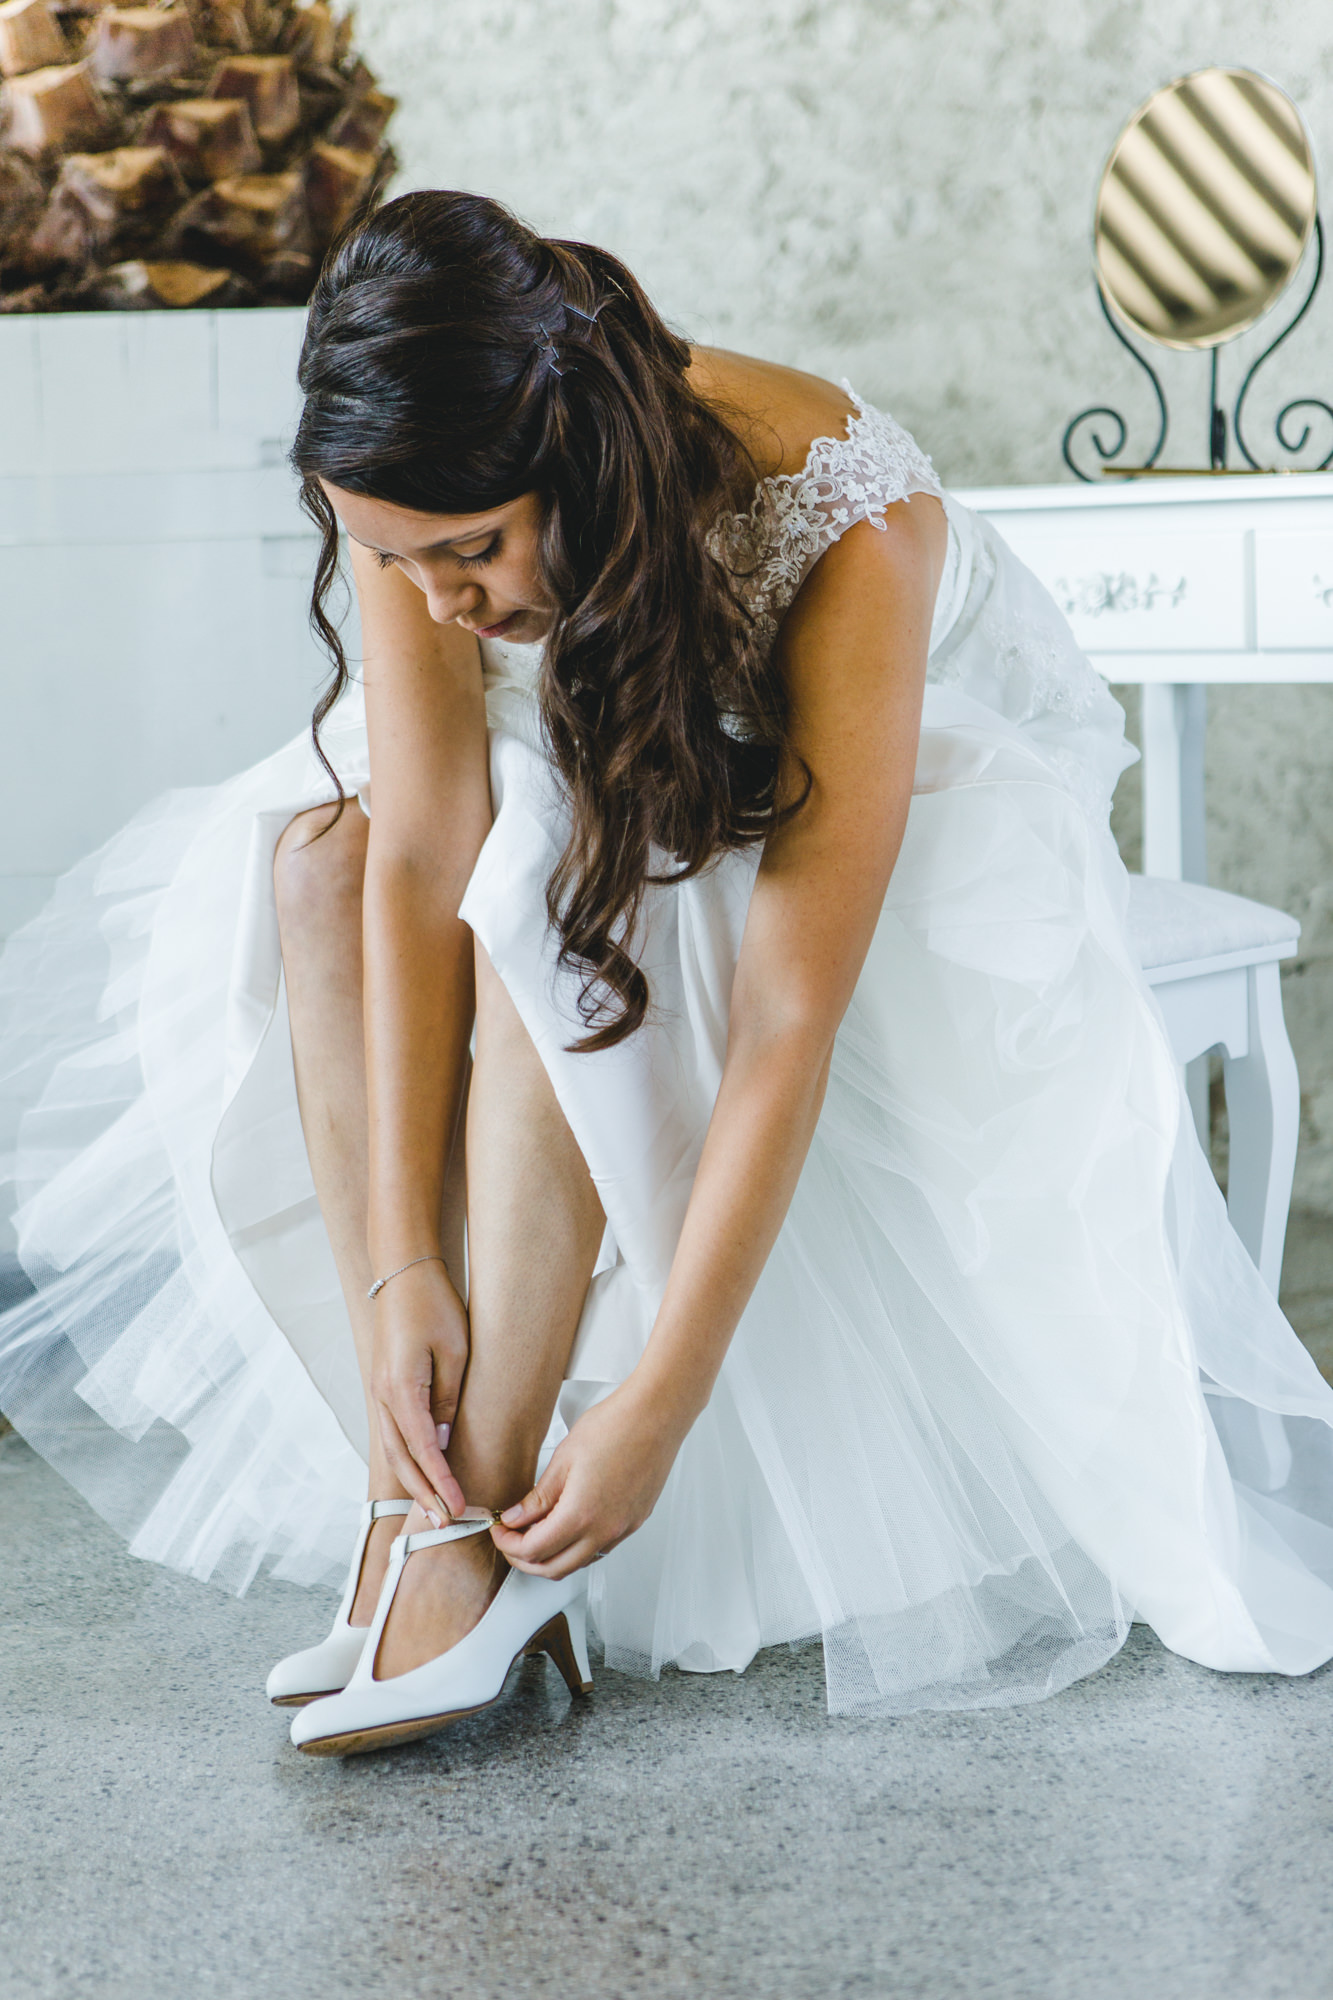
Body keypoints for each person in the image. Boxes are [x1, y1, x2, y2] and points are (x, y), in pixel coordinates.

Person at [5, 190, 1333, 1756]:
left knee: (541, 889)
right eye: (386, 558)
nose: (432, 600)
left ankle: (463, 1532)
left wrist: (660, 1402)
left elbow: (785, 1017)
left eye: (465, 555)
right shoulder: (412, 473)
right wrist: (397, 1269)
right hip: (583, 746)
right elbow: (421, 843)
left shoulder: (845, 516)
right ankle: (403, 1499)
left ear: (571, 474)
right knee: (318, 866)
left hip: (860, 814)